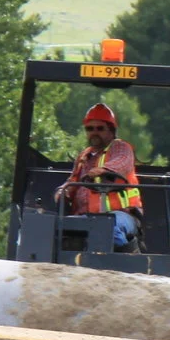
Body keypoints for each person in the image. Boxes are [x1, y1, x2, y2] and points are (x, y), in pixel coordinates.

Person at [59, 102, 142, 249]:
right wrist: (63, 191)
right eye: (90, 129)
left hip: (121, 215)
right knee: (60, 229)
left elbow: (123, 162)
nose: (94, 132)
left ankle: (128, 263)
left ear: (111, 130)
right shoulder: (84, 156)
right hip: (85, 217)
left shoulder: (120, 147)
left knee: (110, 231)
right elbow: (72, 181)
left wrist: (104, 170)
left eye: (100, 128)